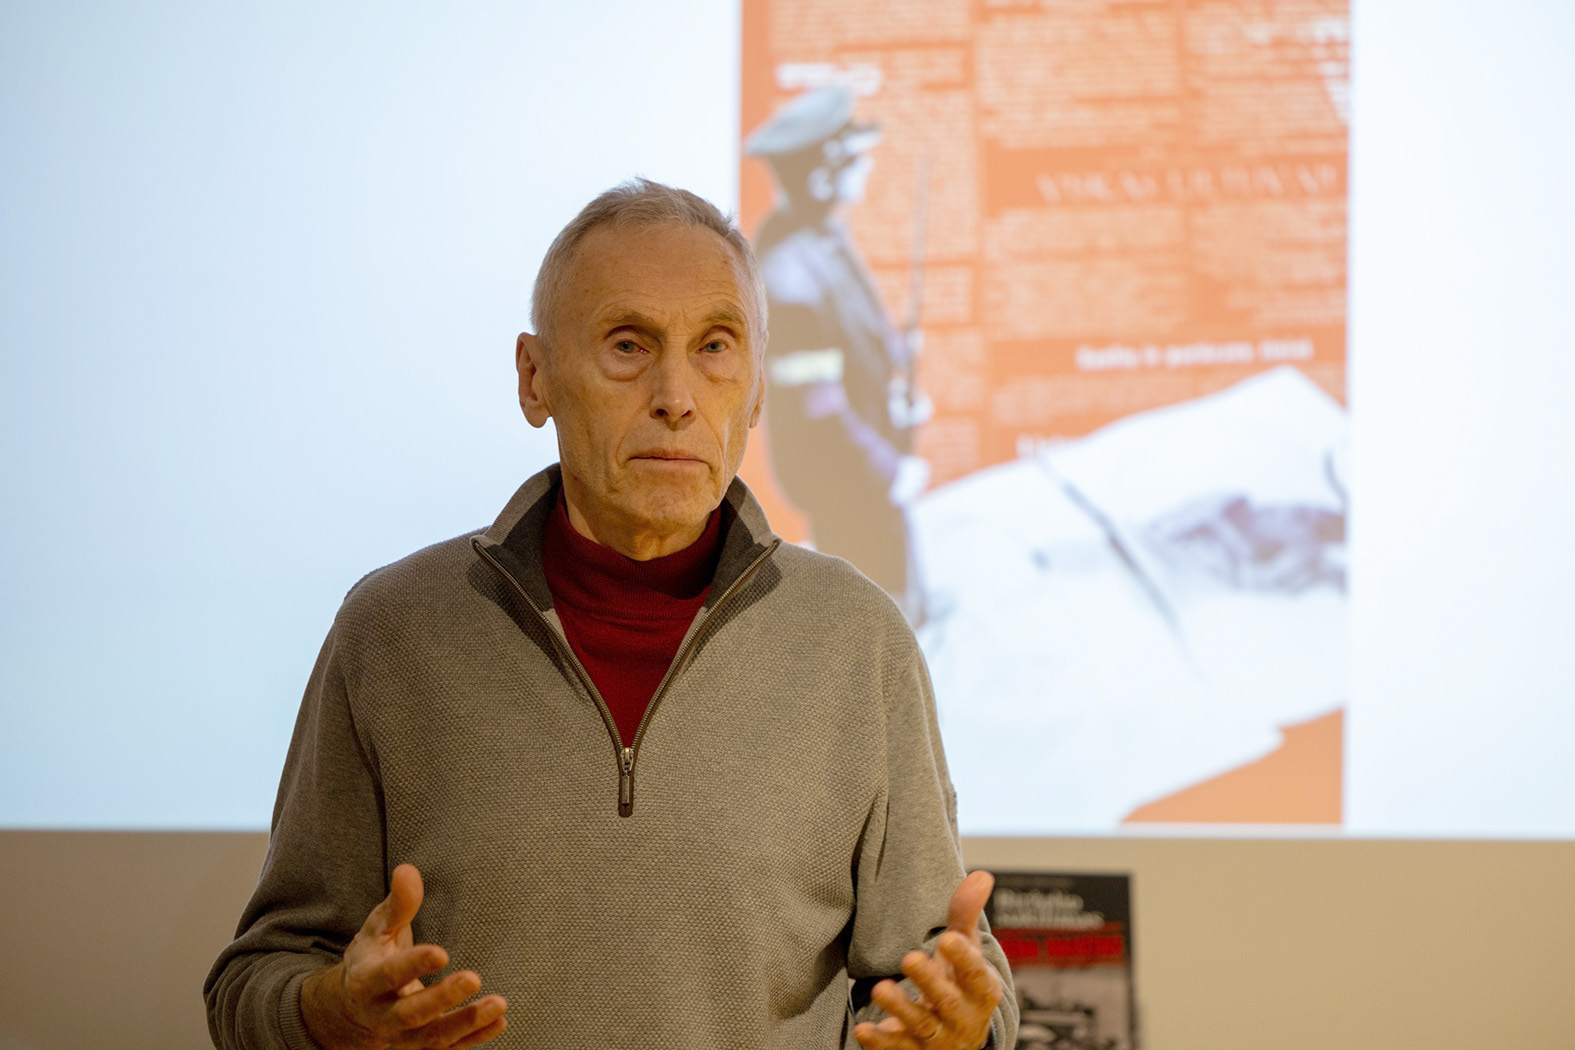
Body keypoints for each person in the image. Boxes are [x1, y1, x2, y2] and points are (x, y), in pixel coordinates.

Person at [204, 179, 1016, 1050]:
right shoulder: (392, 631)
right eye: (629, 345)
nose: (676, 395)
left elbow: (950, 984)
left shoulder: (857, 639)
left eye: (714, 347)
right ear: (535, 378)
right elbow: (254, 983)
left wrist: (966, 1027)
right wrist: (328, 1013)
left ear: (754, 390)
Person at [747, 86, 932, 624]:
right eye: (854, 157)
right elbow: (818, 409)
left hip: (865, 466)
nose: (867, 165)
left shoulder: (821, 237)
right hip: (848, 482)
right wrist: (887, 470)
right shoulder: (791, 273)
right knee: (874, 620)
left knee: (893, 602)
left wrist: (891, 370)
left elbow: (852, 336)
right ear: (823, 175)